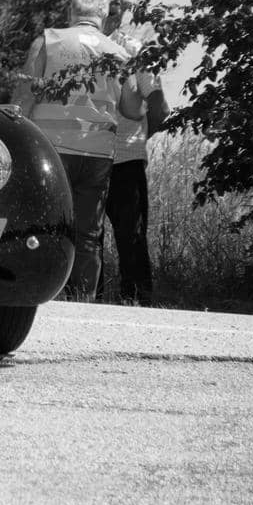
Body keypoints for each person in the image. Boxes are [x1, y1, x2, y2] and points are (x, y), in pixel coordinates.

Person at [11, 0, 140, 301]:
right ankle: (83, 302)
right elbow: (133, 109)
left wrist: (17, 138)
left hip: (51, 151)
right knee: (87, 234)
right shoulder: (118, 53)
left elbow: (24, 96)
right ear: (103, 14)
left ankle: (39, 296)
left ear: (71, 11)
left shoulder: (49, 41)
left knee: (44, 225)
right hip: (97, 155)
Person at [104, 15, 170, 305]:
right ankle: (127, 296)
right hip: (107, 157)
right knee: (123, 232)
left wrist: (139, 139)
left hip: (108, 157)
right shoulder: (91, 48)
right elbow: (160, 110)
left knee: (119, 233)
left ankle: (131, 297)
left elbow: (160, 108)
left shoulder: (133, 51)